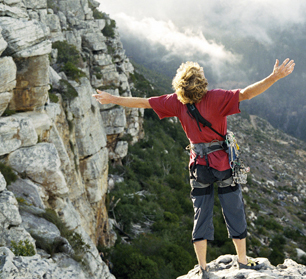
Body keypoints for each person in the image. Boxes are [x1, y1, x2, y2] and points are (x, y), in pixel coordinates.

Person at [93, 58, 295, 277]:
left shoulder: (176, 102)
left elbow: (144, 102)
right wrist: (275, 77)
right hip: (223, 164)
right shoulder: (217, 97)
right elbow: (246, 94)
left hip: (199, 166)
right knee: (233, 208)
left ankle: (203, 267)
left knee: (202, 213)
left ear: (180, 85)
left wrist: (112, 98)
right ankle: (243, 260)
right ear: (202, 82)